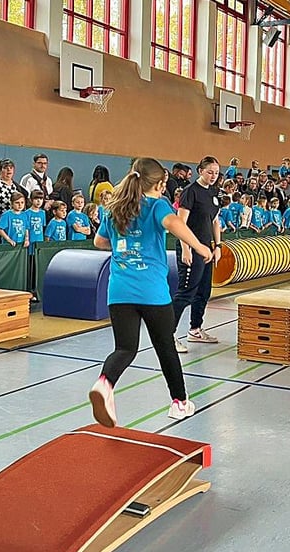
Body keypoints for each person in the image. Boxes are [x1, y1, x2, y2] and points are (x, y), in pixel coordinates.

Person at [88, 157, 214, 427]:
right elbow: (173, 223)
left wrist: (125, 241)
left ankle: (104, 383)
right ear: (159, 184)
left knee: (124, 348)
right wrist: (200, 246)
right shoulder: (157, 205)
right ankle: (179, 403)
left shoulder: (114, 208)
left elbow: (100, 241)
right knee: (166, 347)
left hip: (119, 291)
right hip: (152, 292)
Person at [171, 156, 223, 353]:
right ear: (200, 171)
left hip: (207, 250)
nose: (213, 176)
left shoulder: (214, 193)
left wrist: (217, 246)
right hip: (191, 249)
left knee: (203, 292)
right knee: (186, 293)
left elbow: (215, 221)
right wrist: (186, 248)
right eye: (210, 172)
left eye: (216, 173)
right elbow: (180, 223)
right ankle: (168, 335)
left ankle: (195, 329)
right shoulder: (189, 193)